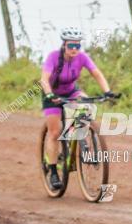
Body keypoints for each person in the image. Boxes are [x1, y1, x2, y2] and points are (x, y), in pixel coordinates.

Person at [41, 27, 115, 189]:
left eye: (77, 46)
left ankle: (81, 140)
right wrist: (49, 94)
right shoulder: (53, 57)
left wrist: (107, 91)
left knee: (86, 105)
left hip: (71, 91)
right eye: (70, 46)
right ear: (63, 45)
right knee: (55, 132)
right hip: (52, 95)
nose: (74, 49)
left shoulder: (82, 57)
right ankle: (53, 172)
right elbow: (44, 79)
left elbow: (96, 73)